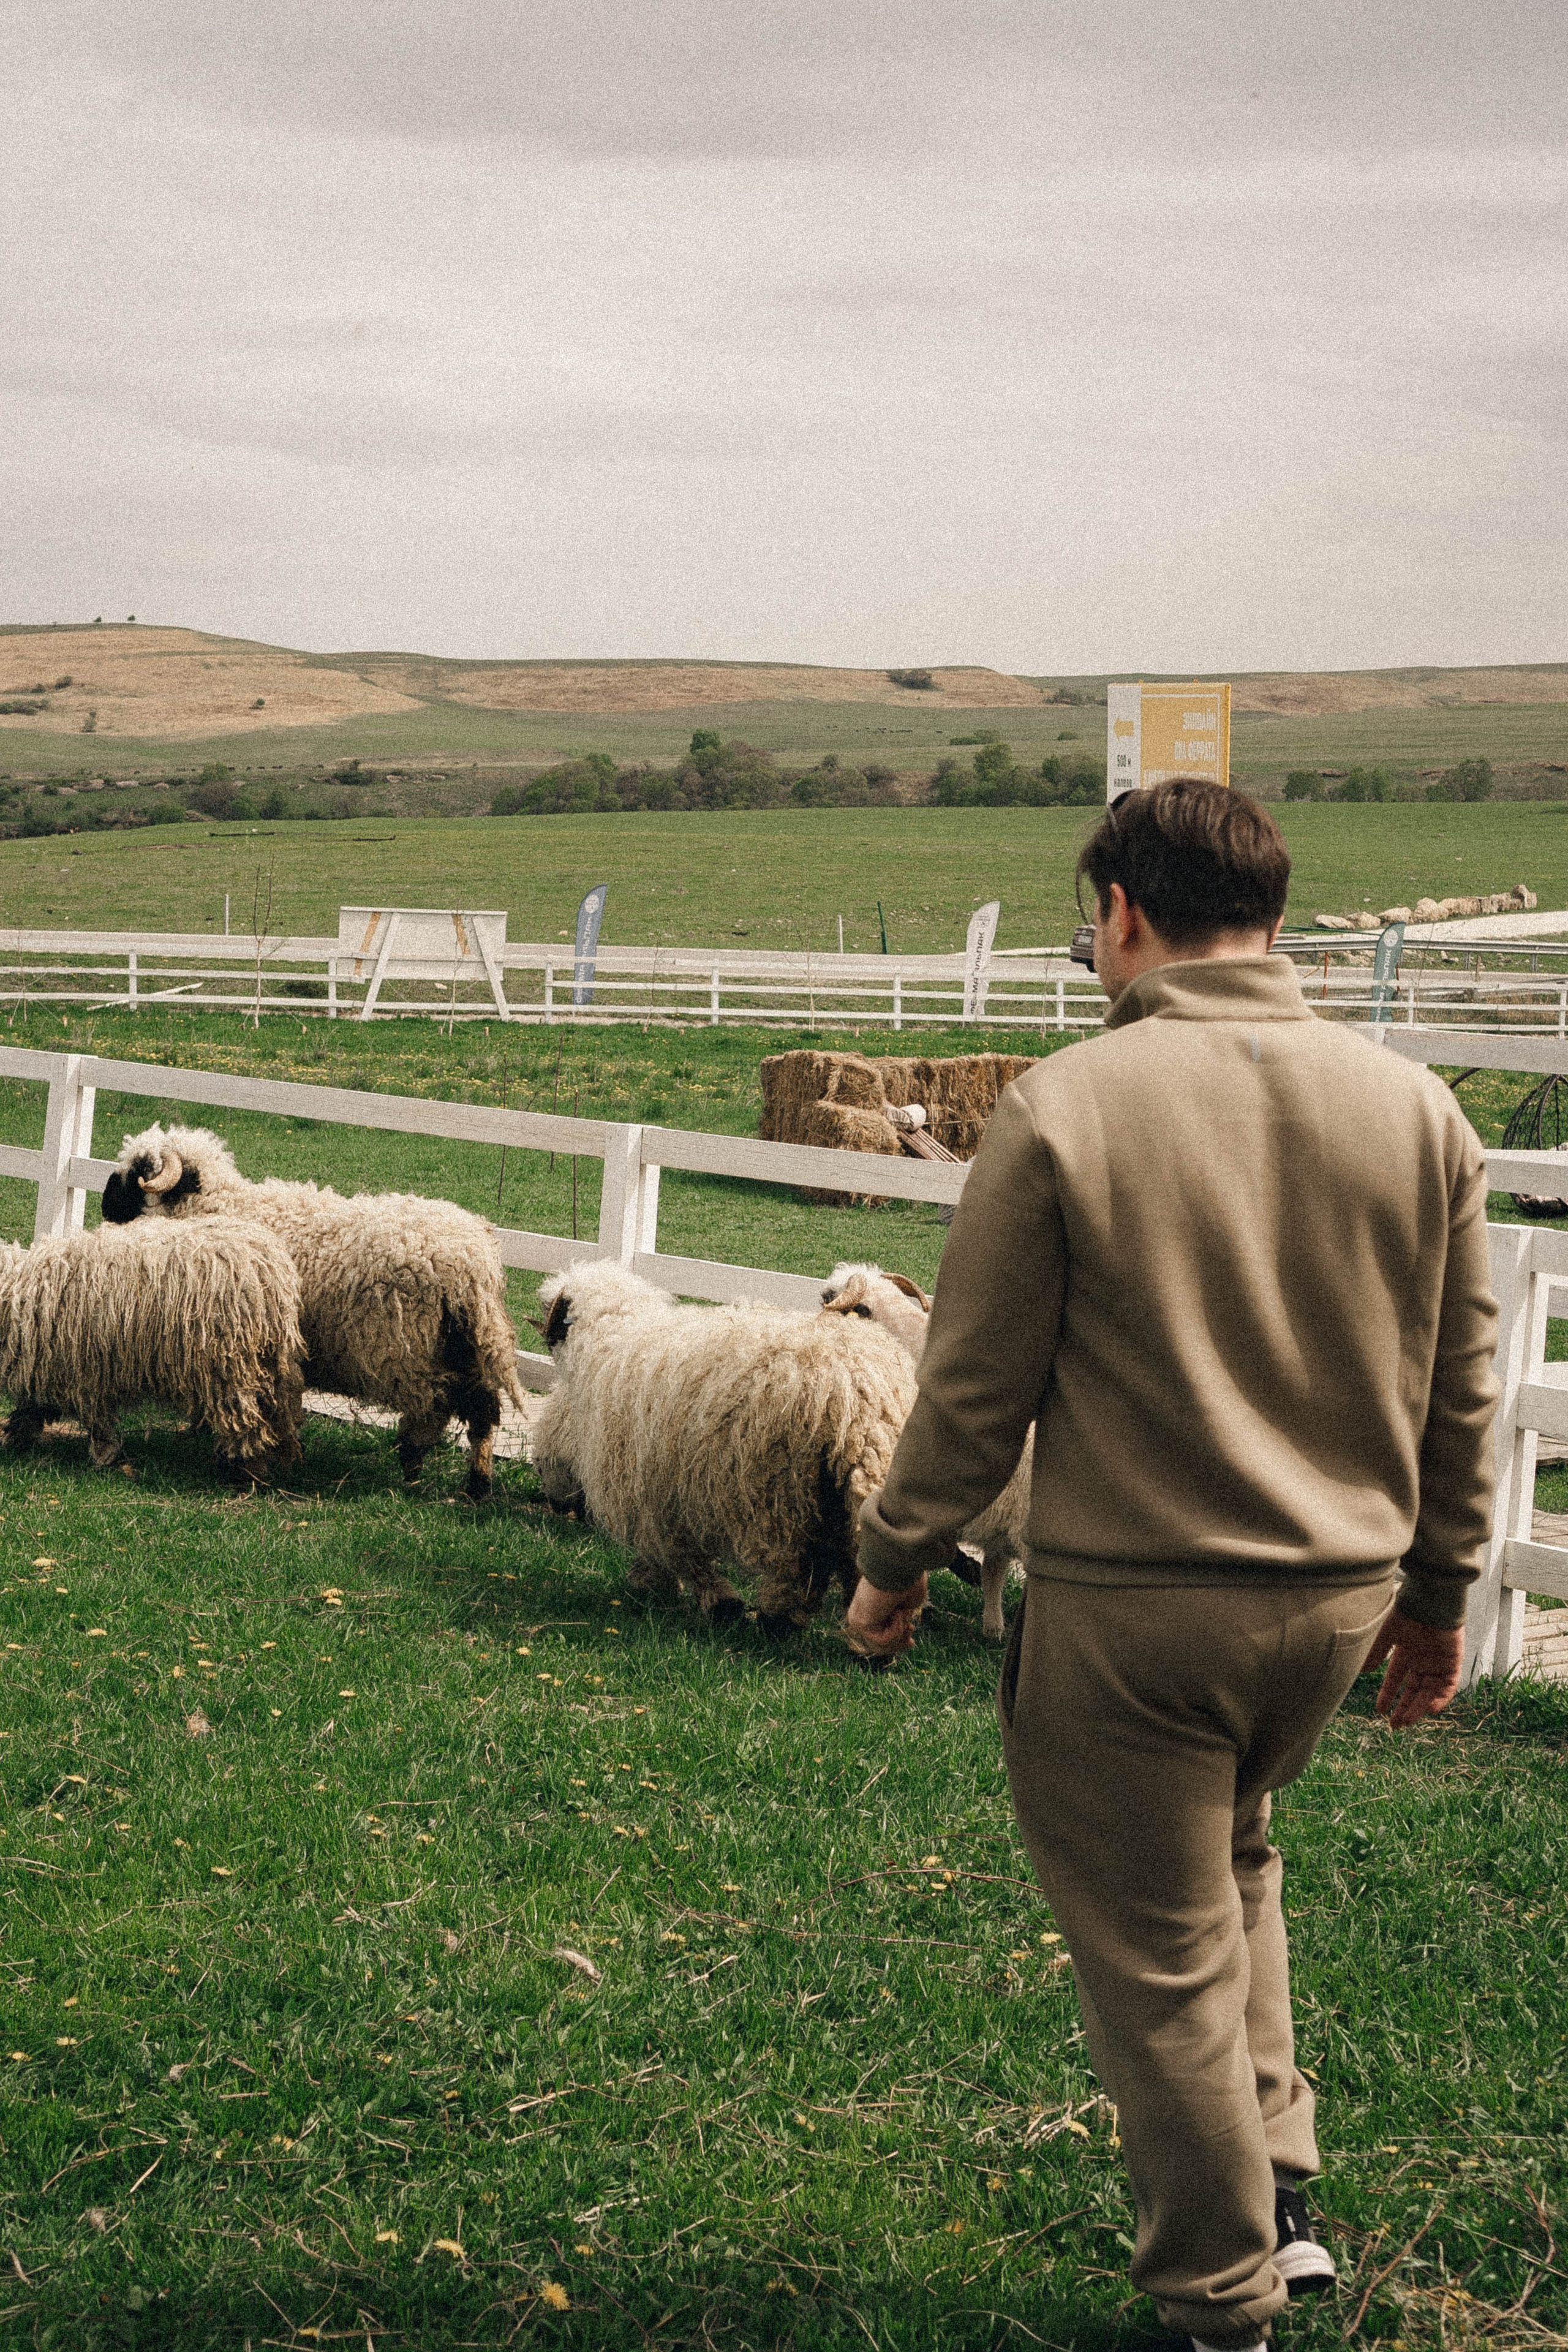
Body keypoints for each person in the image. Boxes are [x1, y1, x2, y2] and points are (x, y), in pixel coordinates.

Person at [846, 780, 1498, 2351]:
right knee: (1234, 1866)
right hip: (1327, 1607)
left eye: (1092, 921)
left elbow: (975, 1386)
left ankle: (1219, 2299)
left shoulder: (1065, 1107)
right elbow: (1457, 1382)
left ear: (1122, 914)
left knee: (1151, 1957)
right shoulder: (1414, 1111)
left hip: (1138, 1611)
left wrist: (892, 1557)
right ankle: (1278, 2185)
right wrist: (1435, 1590)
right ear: (1268, 914)